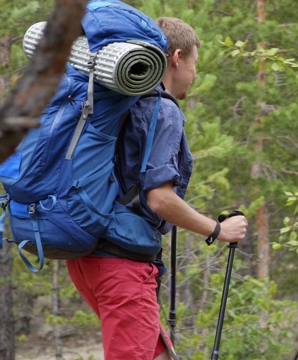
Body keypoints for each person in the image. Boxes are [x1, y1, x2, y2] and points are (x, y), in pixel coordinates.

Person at [66, 17, 248, 360]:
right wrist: (218, 229)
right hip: (120, 264)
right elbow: (160, 198)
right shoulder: (162, 110)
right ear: (177, 57)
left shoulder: (122, 102)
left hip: (88, 258)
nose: (193, 76)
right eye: (194, 65)